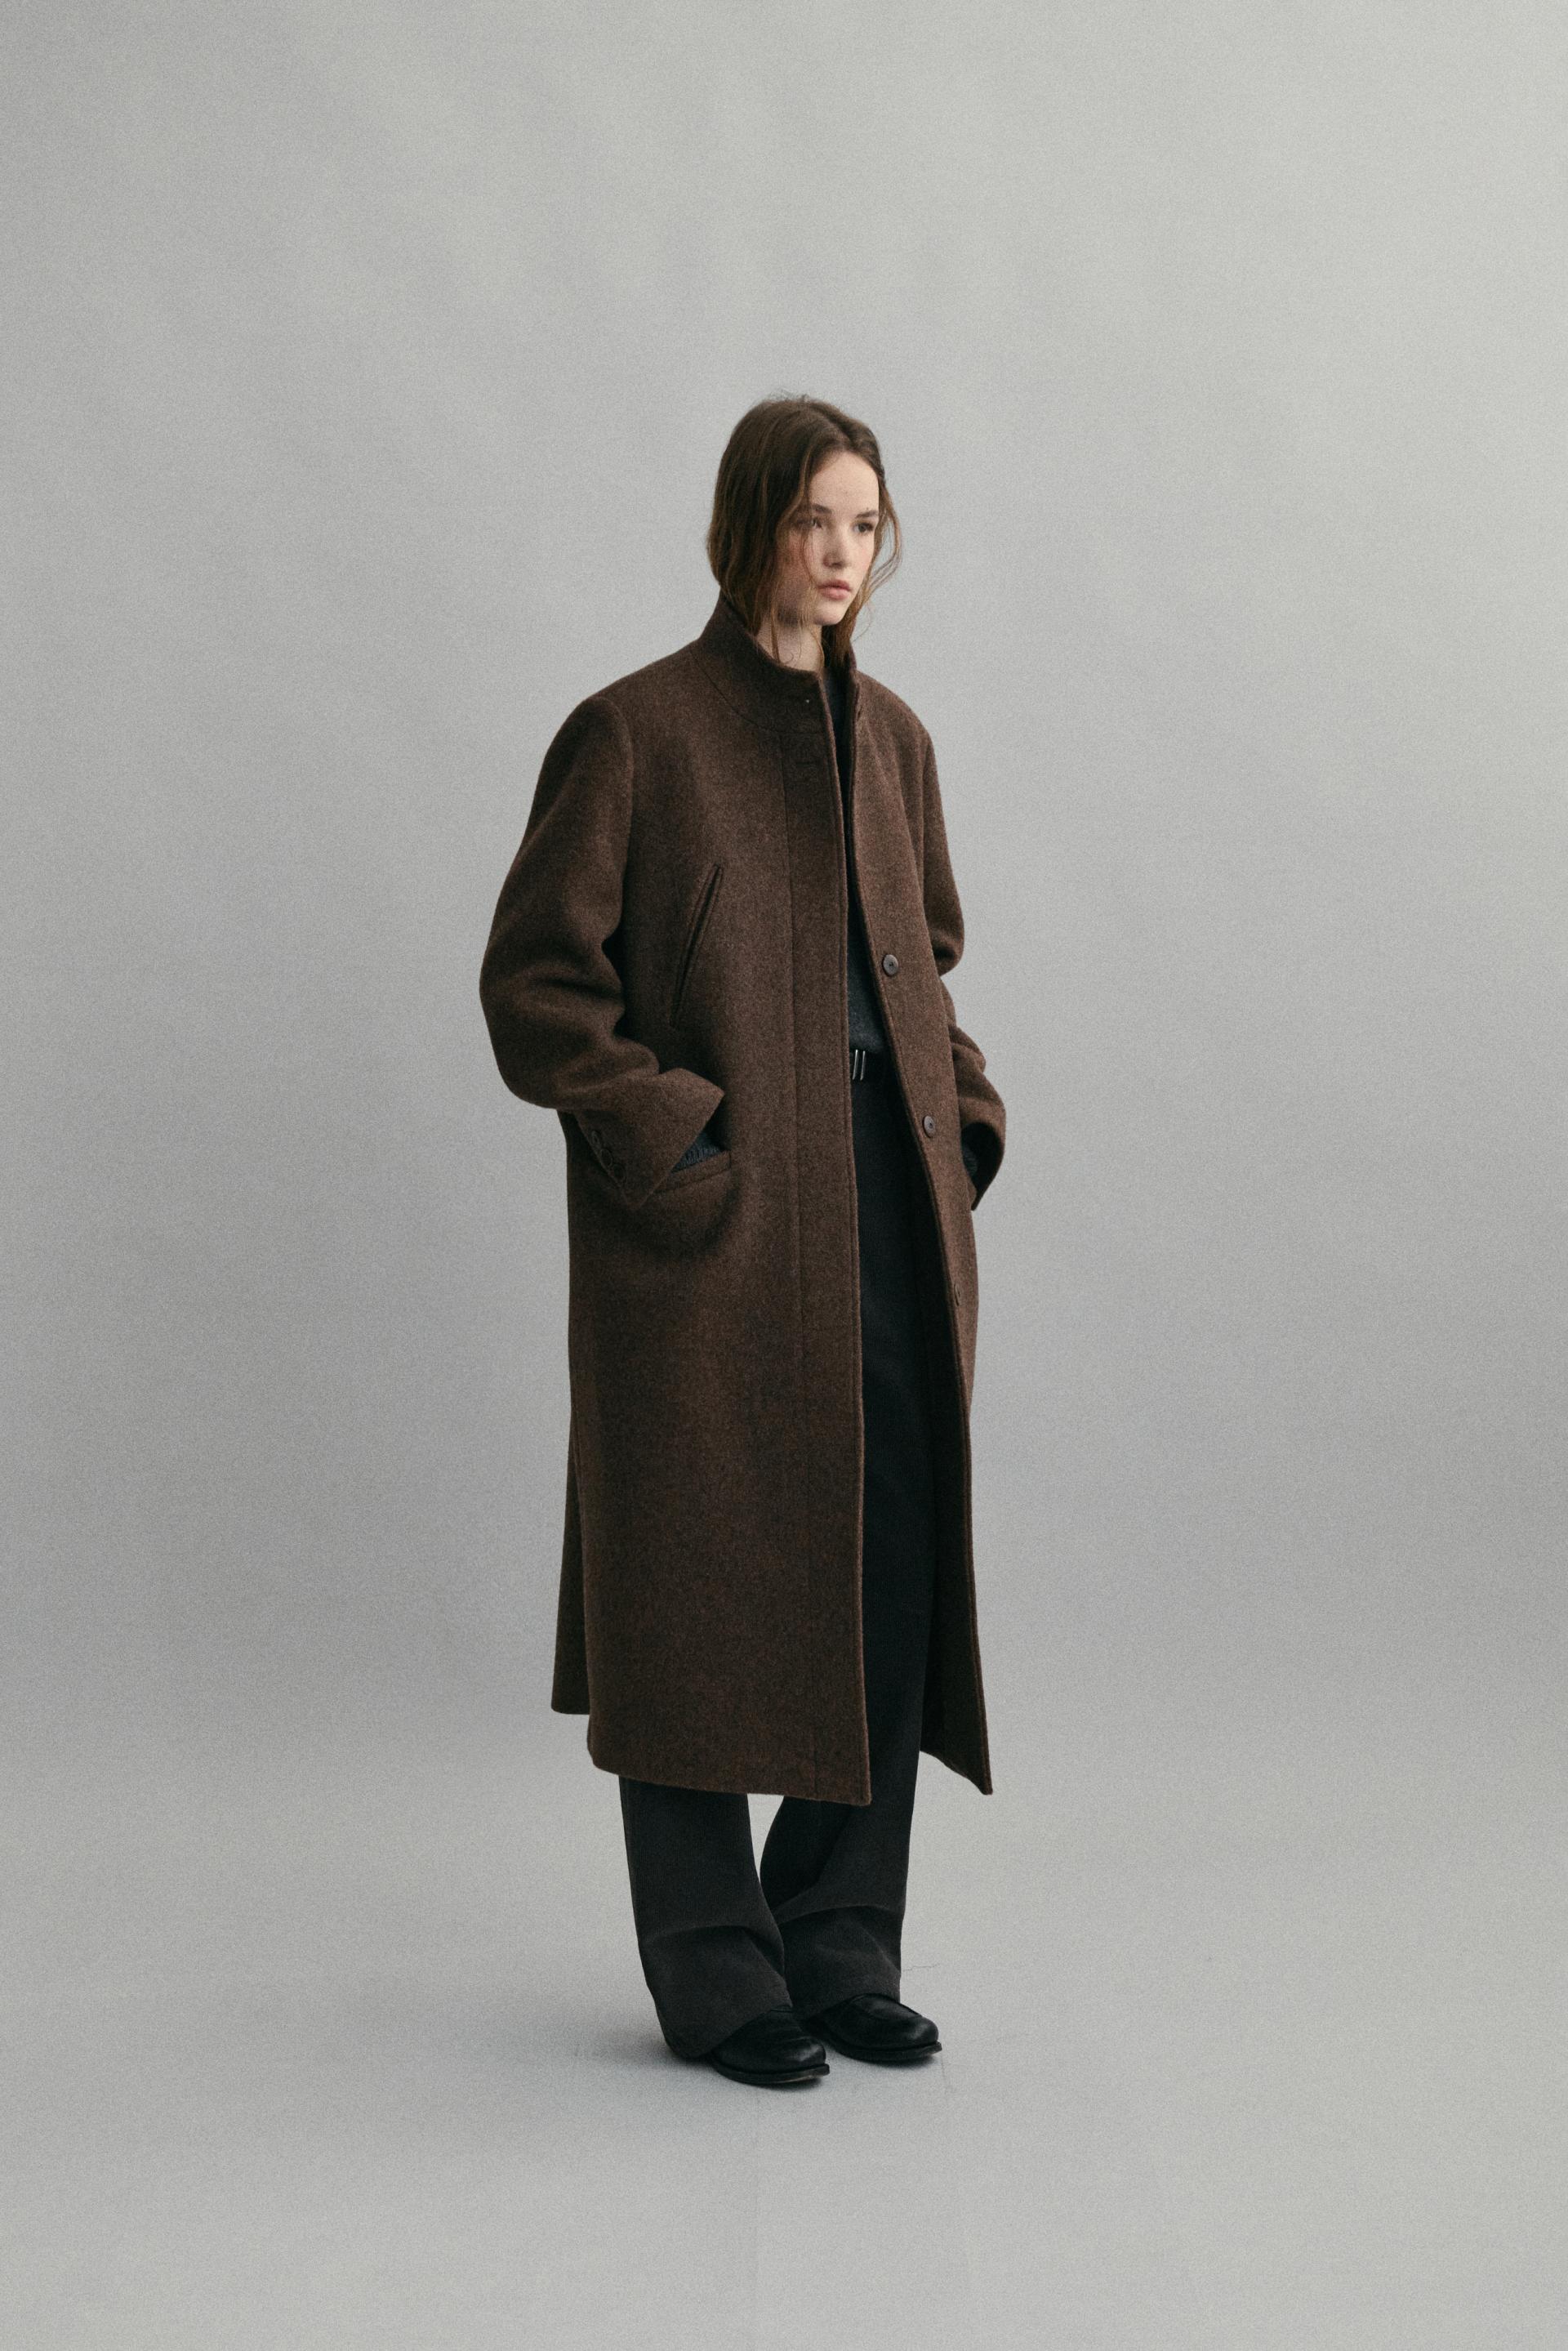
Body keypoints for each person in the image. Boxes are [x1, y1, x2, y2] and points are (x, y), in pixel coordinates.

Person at [479, 395, 1006, 2088]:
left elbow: (922, 958)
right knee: (693, 1583)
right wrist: (675, 1138)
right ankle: (716, 1969)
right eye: (811, 520)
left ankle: (840, 1939)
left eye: (864, 524)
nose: (841, 553)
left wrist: (962, 1120)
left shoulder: (896, 739)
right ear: (749, 526)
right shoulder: (636, 732)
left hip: (886, 1201)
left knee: (891, 1560)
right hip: (713, 1226)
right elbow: (535, 984)